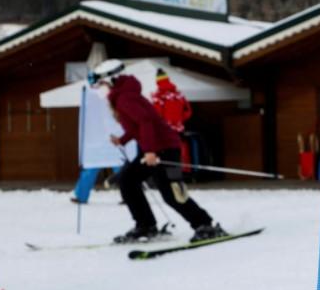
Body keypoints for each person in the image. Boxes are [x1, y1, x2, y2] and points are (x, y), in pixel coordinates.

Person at [87, 58, 225, 244]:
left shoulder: (125, 97)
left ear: (112, 79)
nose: (100, 90)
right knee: (128, 181)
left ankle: (204, 225)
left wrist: (151, 151)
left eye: (101, 84)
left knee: (171, 192)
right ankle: (145, 226)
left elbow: (146, 122)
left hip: (165, 149)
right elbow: (138, 125)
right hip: (153, 149)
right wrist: (123, 139)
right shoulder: (124, 95)